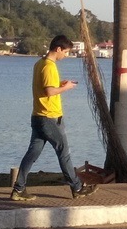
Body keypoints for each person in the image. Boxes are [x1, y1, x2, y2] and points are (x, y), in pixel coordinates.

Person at [10, 35, 96, 201]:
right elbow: (49, 91)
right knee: (64, 152)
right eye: (66, 52)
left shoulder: (39, 64)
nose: (66, 56)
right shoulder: (50, 66)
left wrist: (60, 85)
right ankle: (77, 187)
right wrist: (67, 88)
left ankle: (18, 189)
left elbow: (45, 88)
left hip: (38, 116)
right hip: (49, 118)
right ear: (58, 49)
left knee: (32, 154)